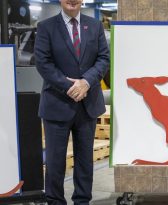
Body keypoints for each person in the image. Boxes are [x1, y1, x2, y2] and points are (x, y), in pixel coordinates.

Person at [34, 0, 109, 204]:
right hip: (57, 104)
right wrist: (69, 87)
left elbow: (103, 58)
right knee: (55, 162)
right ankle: (55, 201)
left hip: (88, 104)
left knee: (85, 160)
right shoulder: (46, 27)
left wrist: (86, 82)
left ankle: (82, 200)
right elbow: (42, 63)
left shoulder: (94, 26)